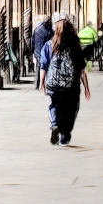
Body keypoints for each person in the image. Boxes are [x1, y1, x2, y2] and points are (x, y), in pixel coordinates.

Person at [39, 12, 91, 146]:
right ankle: (65, 135)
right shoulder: (74, 45)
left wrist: (41, 83)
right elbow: (81, 69)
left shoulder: (49, 45)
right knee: (70, 109)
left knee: (54, 105)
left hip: (53, 83)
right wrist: (86, 87)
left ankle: (54, 124)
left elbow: (43, 65)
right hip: (71, 85)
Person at [32, 15, 54, 90]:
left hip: (37, 51)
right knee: (47, 67)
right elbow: (50, 41)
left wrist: (33, 51)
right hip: (44, 52)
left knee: (39, 68)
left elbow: (32, 41)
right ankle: (47, 83)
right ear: (48, 22)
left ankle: (37, 84)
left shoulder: (36, 29)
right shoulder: (48, 31)